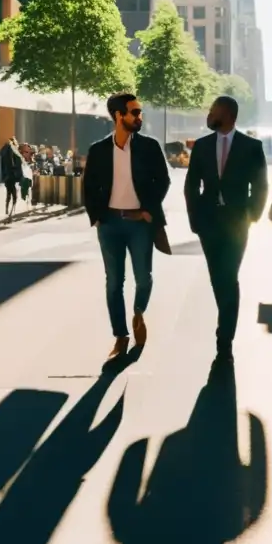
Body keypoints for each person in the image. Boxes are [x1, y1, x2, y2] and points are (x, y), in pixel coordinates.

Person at [84, 93, 171, 361]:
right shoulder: (98, 150)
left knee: (144, 277)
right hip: (109, 224)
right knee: (114, 283)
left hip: (139, 224)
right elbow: (88, 186)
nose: (139, 117)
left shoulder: (149, 146)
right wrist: (96, 216)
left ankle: (138, 313)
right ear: (118, 116)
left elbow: (163, 180)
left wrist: (148, 211)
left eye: (140, 112)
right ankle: (120, 336)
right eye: (134, 112)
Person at [185, 95, 268, 361]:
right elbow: (191, 185)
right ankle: (226, 326)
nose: (209, 114)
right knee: (217, 279)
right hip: (208, 223)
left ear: (228, 114)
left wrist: (252, 215)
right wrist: (195, 219)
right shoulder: (201, 146)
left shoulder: (251, 147)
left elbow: (261, 185)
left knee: (228, 277)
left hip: (237, 223)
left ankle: (225, 340)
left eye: (213, 110)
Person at [0, 137, 22, 216]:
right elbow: (14, 164)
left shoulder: (4, 150)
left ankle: (7, 209)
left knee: (9, 193)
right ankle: (12, 210)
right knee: (14, 194)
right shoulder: (12, 150)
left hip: (6, 176)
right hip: (11, 175)